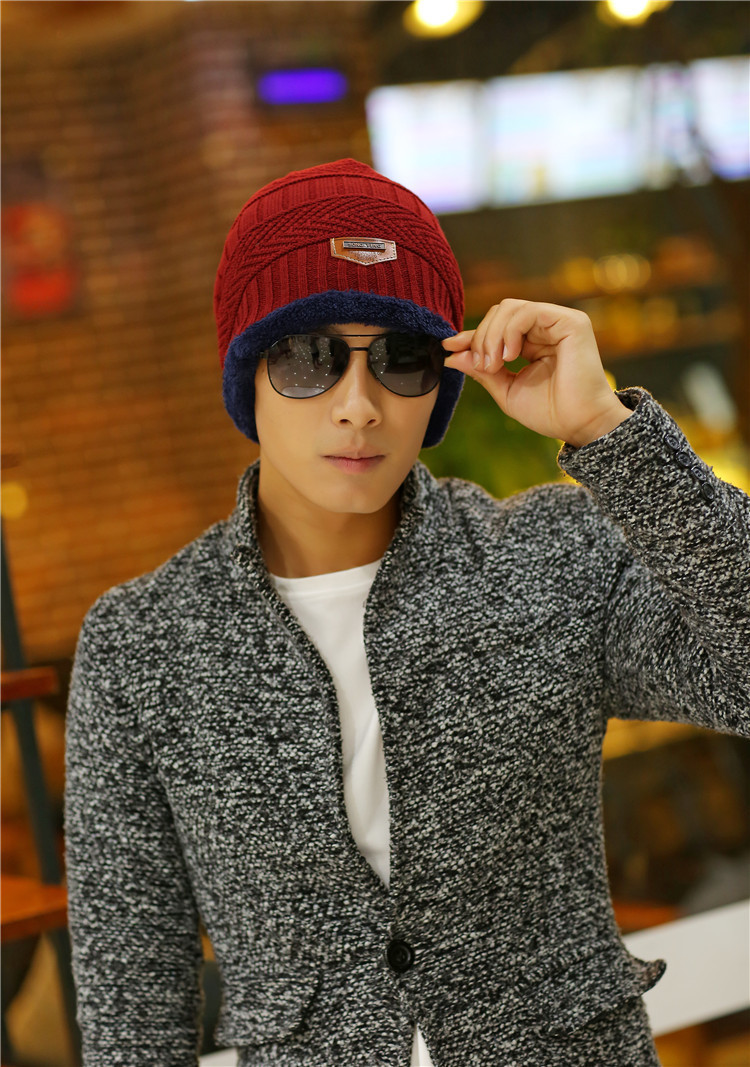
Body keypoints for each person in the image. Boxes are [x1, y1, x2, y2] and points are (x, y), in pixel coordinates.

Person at [64, 158, 750, 1067]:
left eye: (401, 357)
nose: (358, 406)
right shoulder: (142, 644)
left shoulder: (551, 555)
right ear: (246, 375)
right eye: (307, 357)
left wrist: (604, 430)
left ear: (444, 376)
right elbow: (131, 1004)